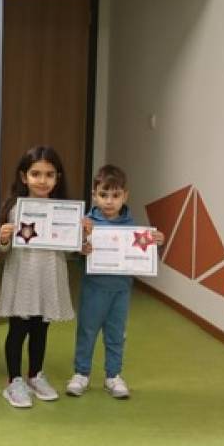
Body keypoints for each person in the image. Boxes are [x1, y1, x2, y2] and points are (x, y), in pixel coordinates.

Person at [68, 165, 165, 399]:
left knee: (116, 334)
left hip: (121, 292)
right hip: (94, 290)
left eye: (115, 195)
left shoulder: (133, 228)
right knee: (87, 332)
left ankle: (113, 376)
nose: (109, 201)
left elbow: (142, 256)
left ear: (125, 196)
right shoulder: (87, 224)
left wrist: (156, 241)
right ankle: (81, 373)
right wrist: (81, 246)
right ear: (94, 195)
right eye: (103, 195)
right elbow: (74, 252)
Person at [0, 145, 75, 409]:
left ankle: (35, 375)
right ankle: (14, 380)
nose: (42, 180)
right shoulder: (14, 208)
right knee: (18, 330)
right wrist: (3, 238)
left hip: (49, 275)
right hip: (22, 276)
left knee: (41, 329)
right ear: (23, 176)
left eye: (49, 174)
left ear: (57, 178)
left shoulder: (65, 211)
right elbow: (2, 247)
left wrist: (82, 233)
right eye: (36, 174)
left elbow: (73, 246)